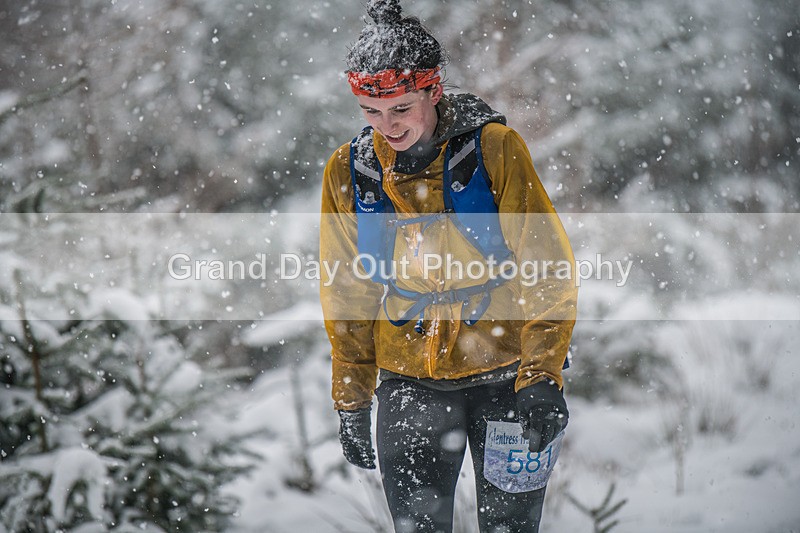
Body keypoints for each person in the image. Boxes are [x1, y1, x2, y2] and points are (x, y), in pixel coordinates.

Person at [319, 1, 578, 531]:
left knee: (511, 528)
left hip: (508, 378)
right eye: (371, 112)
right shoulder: (349, 172)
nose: (386, 126)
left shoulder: (495, 150)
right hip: (410, 380)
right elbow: (346, 292)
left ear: (433, 90)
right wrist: (351, 397)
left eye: (401, 108)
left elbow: (546, 263)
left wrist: (542, 374)